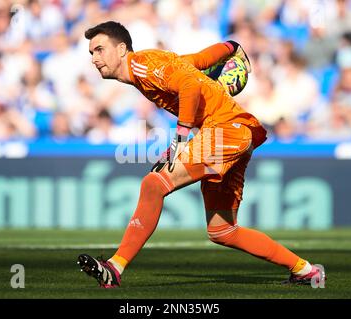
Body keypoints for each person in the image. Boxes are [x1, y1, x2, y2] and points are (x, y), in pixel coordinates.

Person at [77, 21, 325, 288]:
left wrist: (181, 137)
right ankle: (307, 271)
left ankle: (114, 267)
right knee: (223, 230)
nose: (94, 58)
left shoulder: (142, 64)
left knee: (153, 184)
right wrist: (230, 47)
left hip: (223, 132)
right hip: (235, 134)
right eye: (91, 53)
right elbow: (196, 61)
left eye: (100, 50)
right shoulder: (153, 68)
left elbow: (190, 86)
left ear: (122, 49)